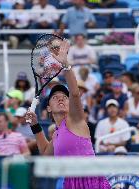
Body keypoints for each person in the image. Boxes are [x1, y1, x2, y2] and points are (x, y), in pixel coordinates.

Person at [26, 40, 111, 188]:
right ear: (49, 108)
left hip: (90, 180)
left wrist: (66, 65)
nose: (60, 98)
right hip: (70, 183)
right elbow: (46, 154)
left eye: (64, 97)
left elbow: (75, 93)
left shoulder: (75, 120)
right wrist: (35, 125)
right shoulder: (56, 135)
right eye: (55, 97)